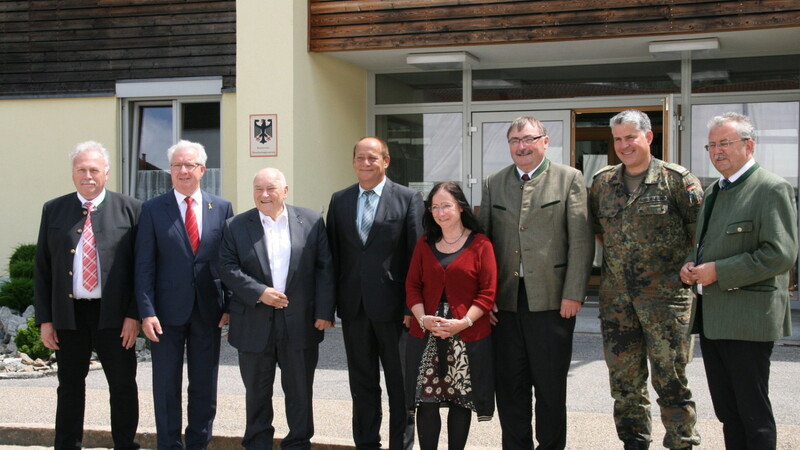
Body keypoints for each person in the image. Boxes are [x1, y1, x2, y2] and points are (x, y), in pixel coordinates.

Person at [681, 112, 797, 449]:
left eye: (725, 143)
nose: (717, 151)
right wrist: (691, 265)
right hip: (715, 319)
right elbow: (706, 246)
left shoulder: (771, 188)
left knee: (753, 414)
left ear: (749, 145)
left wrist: (719, 271)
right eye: (712, 145)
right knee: (728, 413)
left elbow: (780, 254)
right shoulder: (714, 190)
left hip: (748, 319)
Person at [478, 116, 594, 449]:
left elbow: (582, 241)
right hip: (506, 305)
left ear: (545, 141)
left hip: (553, 303)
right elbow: (482, 246)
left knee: (549, 389)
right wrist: (486, 299)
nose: (522, 146)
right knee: (510, 389)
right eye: (515, 141)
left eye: (529, 139)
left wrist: (573, 293)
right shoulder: (494, 183)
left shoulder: (568, 179)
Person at [590, 110, 703, 450]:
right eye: (618, 139)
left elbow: (699, 236)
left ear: (648, 137)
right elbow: (600, 232)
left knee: (671, 381)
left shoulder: (677, 180)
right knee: (625, 384)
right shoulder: (602, 182)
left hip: (666, 303)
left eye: (631, 137)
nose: (624, 145)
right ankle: (634, 442)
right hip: (617, 304)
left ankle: (682, 442)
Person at [34, 141, 142, 449]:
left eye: (94, 169)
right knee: (69, 387)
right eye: (81, 170)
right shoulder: (54, 209)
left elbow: (142, 269)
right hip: (70, 316)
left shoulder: (131, 209)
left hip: (115, 316)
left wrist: (133, 314)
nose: (88, 176)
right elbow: (42, 269)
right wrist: (46, 320)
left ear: (106, 173)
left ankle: (125, 444)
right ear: (73, 173)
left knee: (122, 386)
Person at [219, 168, 335, 449]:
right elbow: (226, 267)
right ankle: (258, 443)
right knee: (257, 393)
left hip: (300, 323)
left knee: (299, 391)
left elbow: (325, 268)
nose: (264, 195)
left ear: (285, 191)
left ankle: (298, 443)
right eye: (258, 189)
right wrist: (259, 292)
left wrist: (324, 312)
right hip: (253, 323)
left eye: (271, 188)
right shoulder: (236, 225)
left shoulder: (310, 220)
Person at [326, 136, 424, 449]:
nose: (365, 164)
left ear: (386, 161)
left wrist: (414, 307)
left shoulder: (408, 198)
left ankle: (401, 445)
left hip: (396, 311)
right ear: (353, 161)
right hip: (354, 309)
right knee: (362, 384)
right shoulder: (339, 200)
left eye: (373, 158)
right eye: (360, 158)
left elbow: (417, 257)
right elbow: (332, 258)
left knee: (401, 386)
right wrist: (327, 308)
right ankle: (366, 443)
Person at [135, 140, 234, 449]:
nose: (182, 171)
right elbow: (144, 264)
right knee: (166, 386)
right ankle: (168, 444)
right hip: (165, 313)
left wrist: (229, 304)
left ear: (202, 170)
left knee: (204, 385)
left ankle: (198, 444)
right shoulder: (152, 209)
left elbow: (228, 261)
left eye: (189, 165)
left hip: (208, 311)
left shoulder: (221, 207)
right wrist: (146, 311)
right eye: (176, 165)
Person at [405, 181, 497, 450]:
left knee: (460, 401)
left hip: (465, 332)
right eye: (435, 207)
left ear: (460, 207)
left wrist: (463, 323)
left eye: (446, 205)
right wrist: (423, 319)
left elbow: (488, 292)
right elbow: (412, 286)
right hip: (427, 333)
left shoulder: (481, 244)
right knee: (427, 401)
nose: (440, 212)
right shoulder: (425, 243)